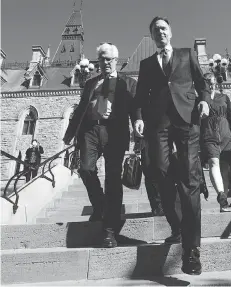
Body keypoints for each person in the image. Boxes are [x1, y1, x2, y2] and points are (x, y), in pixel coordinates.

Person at [133, 16, 210, 275]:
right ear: (152, 36)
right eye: (155, 30)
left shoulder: (186, 54)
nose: (160, 33)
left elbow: (202, 83)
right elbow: (140, 96)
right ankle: (177, 226)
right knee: (160, 173)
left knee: (189, 183)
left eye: (163, 28)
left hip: (187, 120)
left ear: (170, 32)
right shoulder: (146, 64)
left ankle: (192, 253)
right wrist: (139, 118)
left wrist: (205, 101)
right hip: (159, 125)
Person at [63, 43, 137, 248]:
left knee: (113, 179)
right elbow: (81, 109)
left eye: (108, 59)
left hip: (115, 132)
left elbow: (135, 108)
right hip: (90, 131)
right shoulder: (90, 83)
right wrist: (70, 134)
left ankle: (110, 230)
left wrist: (139, 128)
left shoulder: (127, 83)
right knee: (86, 169)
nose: (104, 62)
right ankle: (100, 205)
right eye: (101, 59)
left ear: (116, 61)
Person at [200, 73, 231, 213]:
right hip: (208, 134)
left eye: (213, 82)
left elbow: (230, 115)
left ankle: (223, 204)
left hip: (226, 135)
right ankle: (221, 195)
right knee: (213, 163)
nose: (212, 85)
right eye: (208, 82)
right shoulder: (201, 98)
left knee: (224, 168)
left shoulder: (224, 97)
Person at [133, 136, 164, 216]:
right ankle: (157, 206)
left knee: (161, 170)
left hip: (162, 136)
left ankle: (162, 204)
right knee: (149, 171)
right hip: (146, 137)